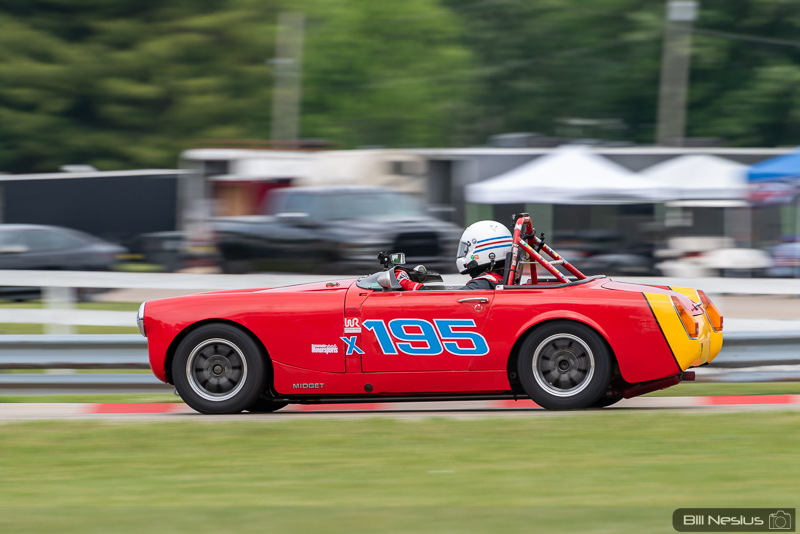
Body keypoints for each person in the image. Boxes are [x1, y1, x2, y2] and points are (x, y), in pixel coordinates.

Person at [394, 220, 514, 291]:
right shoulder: (500, 280)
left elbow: (445, 301)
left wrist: (408, 284)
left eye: (466, 249)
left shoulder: (483, 283)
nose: (463, 253)